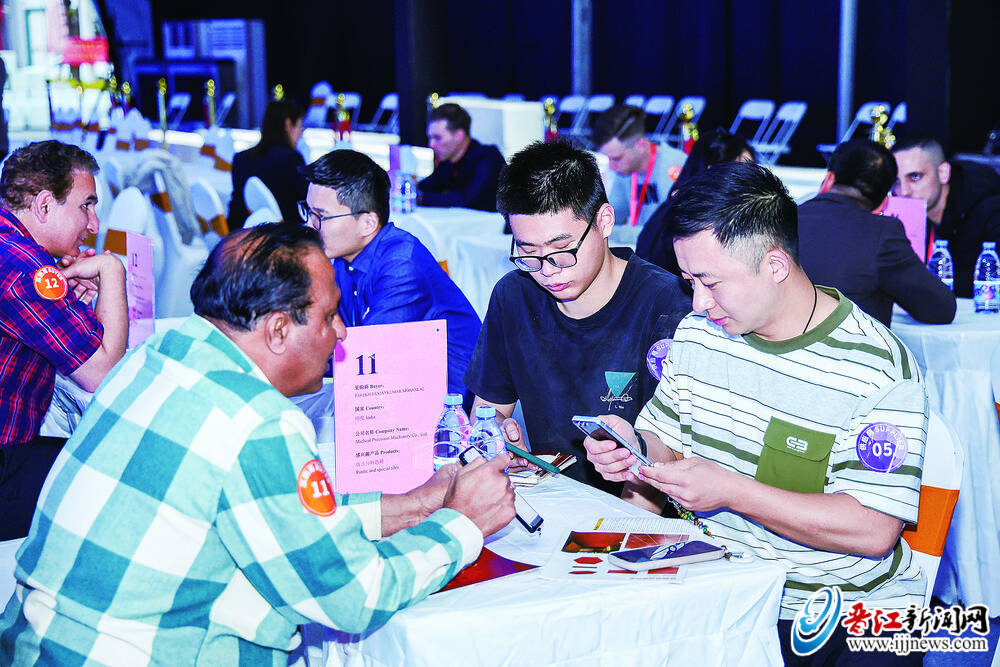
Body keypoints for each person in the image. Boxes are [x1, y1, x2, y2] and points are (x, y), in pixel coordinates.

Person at [0, 223, 516, 664]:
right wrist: (462, 523)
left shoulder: (157, 358)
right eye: (329, 316)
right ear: (277, 331)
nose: (341, 334)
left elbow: (280, 519)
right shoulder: (257, 421)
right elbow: (353, 595)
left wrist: (416, 504)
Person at [583, 161, 927, 665]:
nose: (698, 302)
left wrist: (732, 491)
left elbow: (874, 529)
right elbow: (666, 443)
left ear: (775, 265)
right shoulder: (700, 334)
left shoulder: (875, 366)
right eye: (688, 280)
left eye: (710, 282)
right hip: (723, 592)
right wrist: (633, 449)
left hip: (841, 614)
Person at [464, 141, 690, 501]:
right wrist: (499, 438)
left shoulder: (667, 305)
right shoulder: (514, 296)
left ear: (604, 221)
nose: (548, 270)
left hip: (637, 511)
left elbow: (673, 458)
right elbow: (486, 413)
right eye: (528, 253)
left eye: (562, 250)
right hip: (550, 500)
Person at [0, 140, 128, 540]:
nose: (93, 225)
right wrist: (112, 270)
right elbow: (104, 373)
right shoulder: (26, 271)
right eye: (85, 206)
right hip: (5, 469)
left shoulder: (13, 249)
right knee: (125, 479)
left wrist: (71, 300)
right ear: (43, 205)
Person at [300, 149, 481, 398]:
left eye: (321, 216)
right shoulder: (342, 260)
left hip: (457, 404)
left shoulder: (401, 265)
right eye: (309, 212)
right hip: (394, 390)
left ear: (368, 223)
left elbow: (367, 354)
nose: (310, 225)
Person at [799, 138, 956, 327]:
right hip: (849, 346)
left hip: (777, 345)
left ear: (829, 179)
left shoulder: (781, 219)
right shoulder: (882, 233)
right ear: (883, 204)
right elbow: (941, 308)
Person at [893, 134, 1000, 297]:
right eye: (896, 181)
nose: (904, 191)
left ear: (943, 173)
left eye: (915, 177)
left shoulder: (989, 211)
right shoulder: (897, 214)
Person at [636, 128, 755, 275]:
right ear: (713, 171)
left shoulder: (677, 202)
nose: (750, 179)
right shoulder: (697, 215)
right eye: (741, 170)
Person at [593, 104, 688, 229]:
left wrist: (613, 233)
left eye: (616, 158)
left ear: (641, 145)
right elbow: (611, 219)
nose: (611, 166)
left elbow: (667, 231)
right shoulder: (625, 171)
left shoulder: (674, 166)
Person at [228, 100, 308, 228]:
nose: (300, 134)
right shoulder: (291, 159)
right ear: (288, 124)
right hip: (283, 236)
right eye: (300, 127)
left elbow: (236, 209)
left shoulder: (241, 159)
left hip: (244, 232)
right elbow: (308, 202)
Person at [417, 103, 506, 212]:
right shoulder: (448, 162)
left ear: (459, 136)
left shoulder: (487, 158)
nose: (431, 144)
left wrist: (420, 198)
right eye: (430, 138)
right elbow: (426, 186)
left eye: (437, 138)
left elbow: (467, 200)